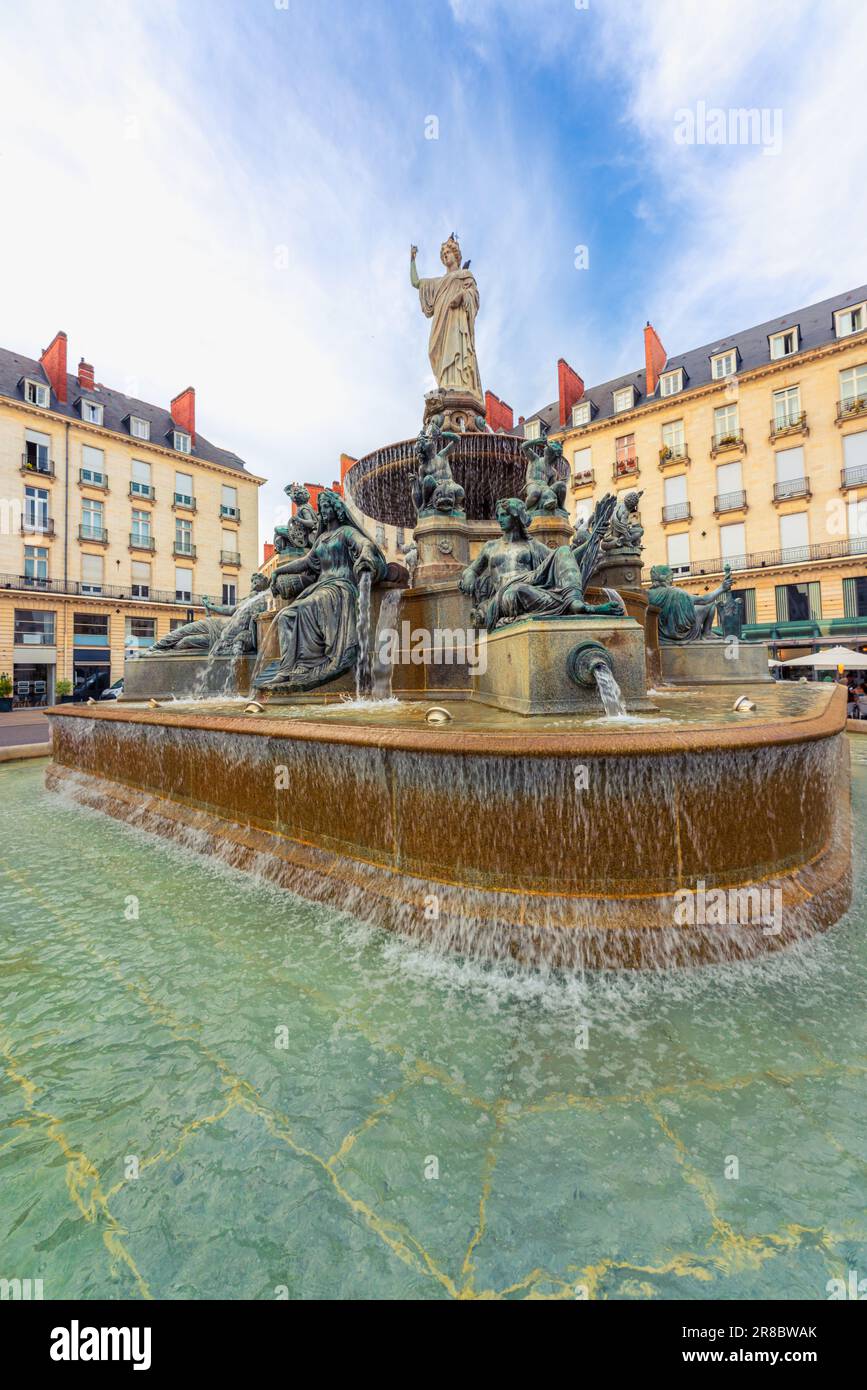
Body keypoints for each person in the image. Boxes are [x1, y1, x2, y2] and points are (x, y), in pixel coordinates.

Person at [255, 490, 387, 691]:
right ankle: (287, 669)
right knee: (286, 615)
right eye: (321, 508)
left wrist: (366, 554)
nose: (323, 511)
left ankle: (307, 662)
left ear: (336, 508)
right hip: (321, 587)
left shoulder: (345, 532)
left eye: (326, 507)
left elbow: (365, 543)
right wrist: (277, 571)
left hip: (340, 587)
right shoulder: (321, 538)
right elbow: (305, 561)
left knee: (307, 607)